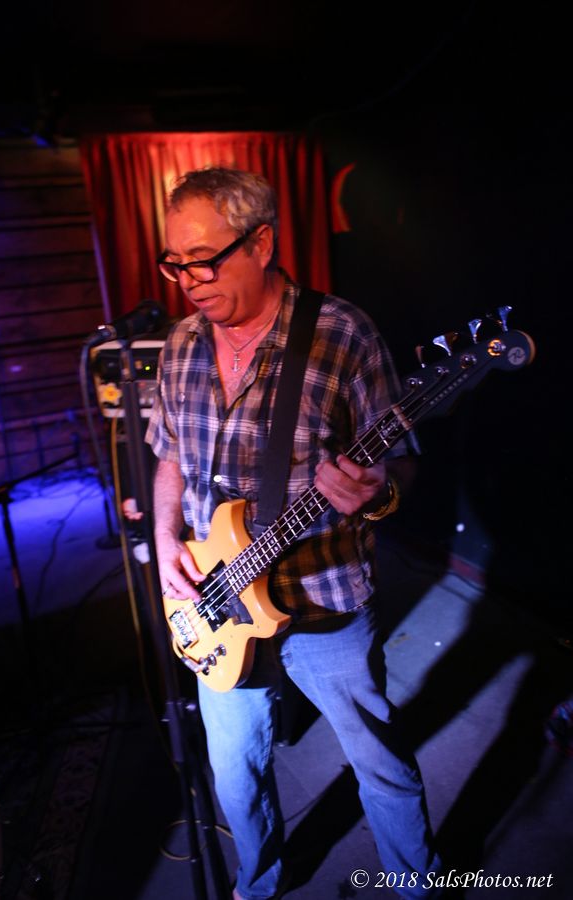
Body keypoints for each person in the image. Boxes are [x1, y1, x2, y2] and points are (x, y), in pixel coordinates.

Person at [145, 167, 442, 899]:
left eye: (204, 259)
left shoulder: (342, 334)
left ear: (262, 243)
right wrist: (167, 542)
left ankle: (417, 884)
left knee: (377, 759)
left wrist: (376, 490)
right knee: (234, 770)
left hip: (324, 594)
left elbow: (402, 459)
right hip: (214, 598)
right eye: (175, 263)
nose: (189, 281)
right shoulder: (180, 343)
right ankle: (257, 884)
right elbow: (169, 455)